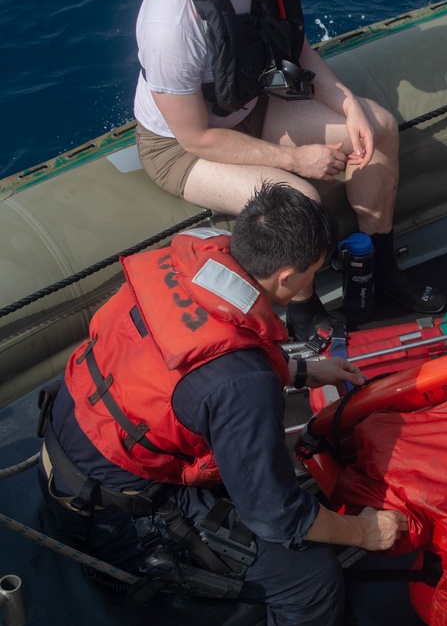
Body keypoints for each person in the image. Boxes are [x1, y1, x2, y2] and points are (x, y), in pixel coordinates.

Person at [37, 183, 407, 625]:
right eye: (316, 271)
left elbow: (185, 362)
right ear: (287, 276)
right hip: (111, 511)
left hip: (68, 437)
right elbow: (278, 517)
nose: (316, 280)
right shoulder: (242, 384)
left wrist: (301, 372)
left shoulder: (192, 258)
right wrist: (365, 531)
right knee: (309, 581)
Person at [132, 0, 445, 339]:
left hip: (253, 105)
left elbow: (299, 49)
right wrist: (295, 160)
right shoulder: (169, 26)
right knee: (299, 200)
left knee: (378, 127)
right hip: (182, 149)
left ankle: (379, 266)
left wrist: (348, 105)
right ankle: (303, 312)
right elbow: (196, 137)